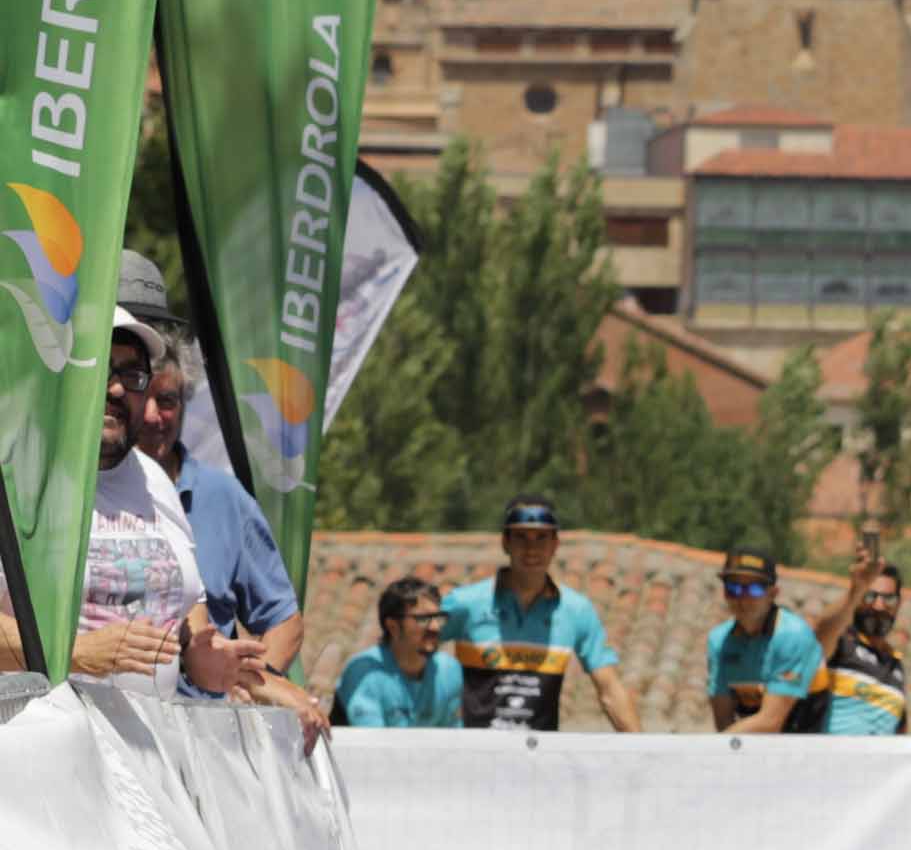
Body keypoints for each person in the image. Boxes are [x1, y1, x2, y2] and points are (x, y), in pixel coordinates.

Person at [117, 253, 329, 748]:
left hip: (208, 750)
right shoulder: (73, 492)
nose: (152, 416)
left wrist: (250, 682)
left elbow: (282, 621)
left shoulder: (222, 498)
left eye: (167, 401)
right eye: (135, 389)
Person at [71, 312, 265, 701]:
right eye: (103, 368)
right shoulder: (20, 481)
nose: (116, 389)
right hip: (49, 746)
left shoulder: (154, 481)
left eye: (132, 375)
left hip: (147, 745)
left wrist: (201, 657)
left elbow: (188, 602)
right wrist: (73, 654)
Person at [441, 496, 644, 732]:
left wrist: (648, 760)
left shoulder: (576, 611)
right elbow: (409, 652)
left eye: (541, 537)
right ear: (505, 542)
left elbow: (609, 690)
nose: (531, 548)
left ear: (555, 544)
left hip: (541, 761)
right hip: (474, 759)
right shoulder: (466, 603)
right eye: (521, 537)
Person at [793, 535, 911, 735]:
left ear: (899, 604)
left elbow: (901, 732)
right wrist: (856, 589)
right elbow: (821, 635)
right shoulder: (841, 644)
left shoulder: (895, 666)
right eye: (869, 596)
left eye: (888, 599)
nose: (878, 606)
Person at [705, 547, 822, 734]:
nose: (742, 598)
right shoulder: (719, 641)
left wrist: (712, 747)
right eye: (733, 588)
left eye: (753, 589)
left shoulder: (792, 636)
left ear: (773, 593)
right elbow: (723, 718)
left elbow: (770, 721)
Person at [333, 577, 464, 728]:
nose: (435, 627)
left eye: (438, 618)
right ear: (393, 626)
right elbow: (370, 745)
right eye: (423, 619)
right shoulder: (364, 674)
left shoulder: (449, 671)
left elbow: (452, 739)